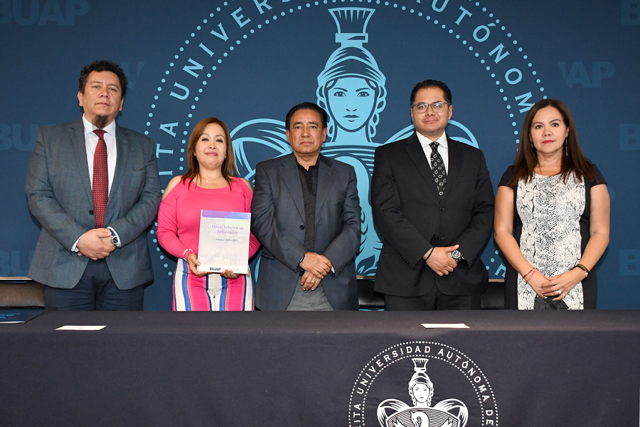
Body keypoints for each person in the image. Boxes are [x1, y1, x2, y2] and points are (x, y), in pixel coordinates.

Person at [25, 60, 161, 310]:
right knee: (66, 349)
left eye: (113, 89)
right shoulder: (50, 139)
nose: (104, 93)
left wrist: (115, 236)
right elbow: (38, 195)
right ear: (80, 97)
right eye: (96, 86)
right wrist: (79, 238)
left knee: (121, 348)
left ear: (121, 103)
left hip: (125, 268)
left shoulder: (143, 145)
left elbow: (151, 198)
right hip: (64, 265)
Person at [371, 80, 494, 310]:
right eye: (421, 106)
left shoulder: (473, 157)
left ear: (450, 111)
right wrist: (427, 253)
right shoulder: (389, 155)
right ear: (411, 113)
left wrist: (455, 258)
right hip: (405, 281)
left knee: (463, 347)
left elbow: (485, 212)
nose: (429, 112)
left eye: (437, 105)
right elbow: (385, 212)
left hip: (461, 279)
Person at [494, 99, 610, 310]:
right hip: (525, 282)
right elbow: (502, 232)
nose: (547, 132)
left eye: (554, 124)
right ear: (529, 136)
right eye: (538, 126)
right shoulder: (512, 177)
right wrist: (531, 276)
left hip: (576, 284)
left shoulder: (589, 175)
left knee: (575, 343)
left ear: (567, 131)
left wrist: (577, 273)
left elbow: (600, 232)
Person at [251, 102, 361, 311]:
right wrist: (302, 258)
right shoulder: (268, 171)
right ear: (288, 134)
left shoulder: (344, 173)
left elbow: (353, 227)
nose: (305, 133)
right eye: (298, 127)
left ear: (324, 133)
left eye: (312, 126)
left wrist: (323, 264)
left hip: (333, 286)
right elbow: (262, 223)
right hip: (281, 288)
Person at [157, 118, 260, 311]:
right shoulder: (177, 186)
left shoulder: (243, 188)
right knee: (192, 339)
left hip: (236, 280)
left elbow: (256, 233)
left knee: (238, 339)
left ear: (227, 151)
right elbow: (164, 232)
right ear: (194, 150)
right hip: (190, 277)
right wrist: (187, 254)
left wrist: (238, 260)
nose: (212, 145)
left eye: (219, 140)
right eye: (205, 139)